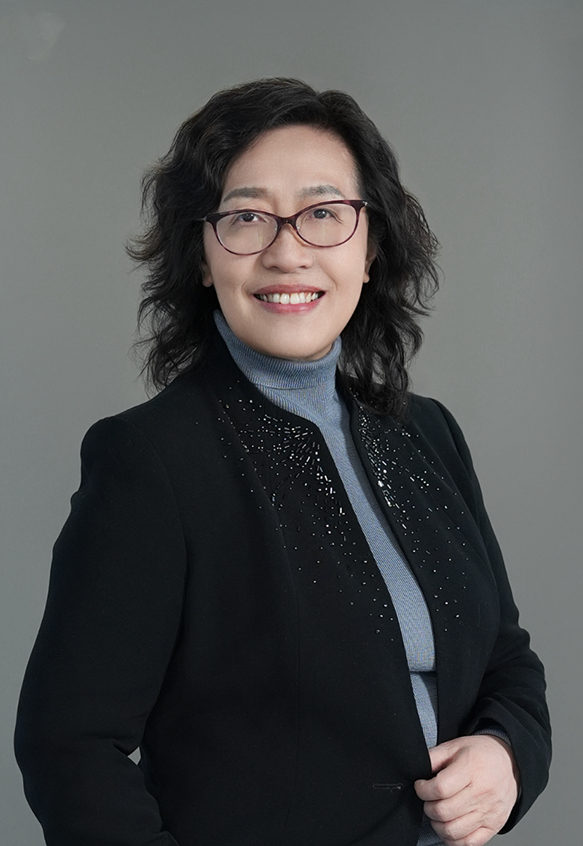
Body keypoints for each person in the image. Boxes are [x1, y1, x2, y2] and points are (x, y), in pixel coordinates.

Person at [15, 78, 550, 846]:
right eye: (247, 217)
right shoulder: (152, 461)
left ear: (370, 249)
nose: (288, 251)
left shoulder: (428, 434)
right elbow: (70, 747)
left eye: (324, 213)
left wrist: (507, 754)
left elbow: (507, 657)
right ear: (203, 257)